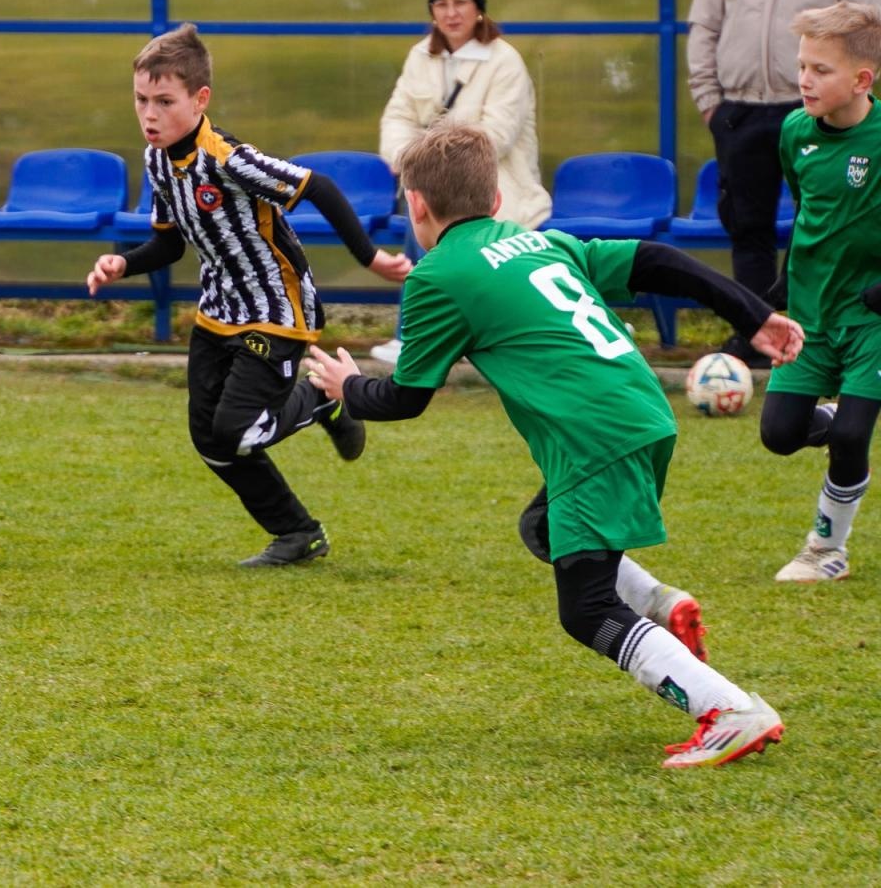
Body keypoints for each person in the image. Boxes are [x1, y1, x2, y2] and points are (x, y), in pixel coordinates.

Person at [307, 121, 802, 767]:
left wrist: (347, 386)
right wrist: (753, 313)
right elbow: (657, 259)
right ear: (494, 202)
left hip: (596, 436)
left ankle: (729, 711)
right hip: (641, 412)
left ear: (417, 205)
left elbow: (405, 397)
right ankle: (661, 605)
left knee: (586, 609)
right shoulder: (534, 242)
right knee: (543, 525)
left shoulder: (437, 277)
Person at [85, 24, 411, 567]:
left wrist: (371, 258)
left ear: (200, 99)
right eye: (141, 100)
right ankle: (297, 533)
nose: (150, 114)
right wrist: (124, 263)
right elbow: (169, 245)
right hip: (219, 312)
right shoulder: (158, 159)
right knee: (208, 438)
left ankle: (324, 401)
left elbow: (319, 187)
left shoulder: (229, 158)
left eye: (165, 101)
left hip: (277, 311)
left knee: (235, 431)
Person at [687, 0, 881, 369]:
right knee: (746, 227)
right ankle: (756, 332)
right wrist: (711, 101)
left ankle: (826, 337)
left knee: (820, 221)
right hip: (739, 109)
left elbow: (869, 19)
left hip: (812, 106)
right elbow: (704, 26)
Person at [758, 1, 881, 582]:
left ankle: (825, 551)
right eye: (802, 65)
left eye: (821, 69)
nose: (805, 79)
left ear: (863, 79)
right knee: (779, 435)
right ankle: (839, 415)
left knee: (853, 437)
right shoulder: (793, 133)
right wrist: (785, 281)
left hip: (872, 318)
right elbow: (808, 208)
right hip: (811, 313)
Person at [370, 0, 551, 367]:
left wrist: (426, 163)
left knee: (436, 215)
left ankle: (426, 335)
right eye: (442, 5)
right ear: (433, 13)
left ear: (479, 10)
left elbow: (495, 136)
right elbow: (396, 118)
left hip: (495, 183)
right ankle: (419, 335)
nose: (451, 13)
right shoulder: (420, 56)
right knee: (423, 207)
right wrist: (408, 160)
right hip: (431, 180)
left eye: (461, 3)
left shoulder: (505, 61)